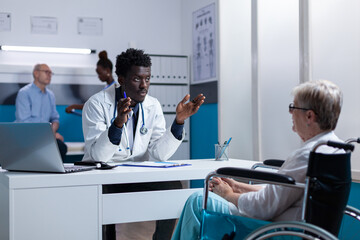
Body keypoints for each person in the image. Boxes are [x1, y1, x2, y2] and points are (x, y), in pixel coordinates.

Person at [171, 79, 344, 240]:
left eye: (294, 107)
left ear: (309, 116)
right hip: (301, 228)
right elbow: (281, 193)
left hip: (274, 230)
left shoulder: (306, 156)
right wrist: (238, 186)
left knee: (198, 201)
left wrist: (229, 195)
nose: (291, 113)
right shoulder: (332, 150)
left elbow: (264, 207)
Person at [82, 48, 205, 240]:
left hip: (136, 174)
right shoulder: (96, 104)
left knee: (172, 186)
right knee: (103, 210)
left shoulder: (152, 105)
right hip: (104, 175)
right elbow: (98, 156)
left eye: (147, 79)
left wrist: (179, 122)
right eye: (137, 79)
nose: (144, 86)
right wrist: (118, 124)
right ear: (121, 80)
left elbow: (159, 154)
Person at [15, 63, 68, 160]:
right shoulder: (24, 93)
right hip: (28, 137)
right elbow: (24, 122)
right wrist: (48, 135)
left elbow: (55, 118)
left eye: (51, 73)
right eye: (46, 72)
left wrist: (51, 133)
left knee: (61, 147)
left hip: (45, 137)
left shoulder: (50, 95)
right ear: (36, 73)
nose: (49, 75)